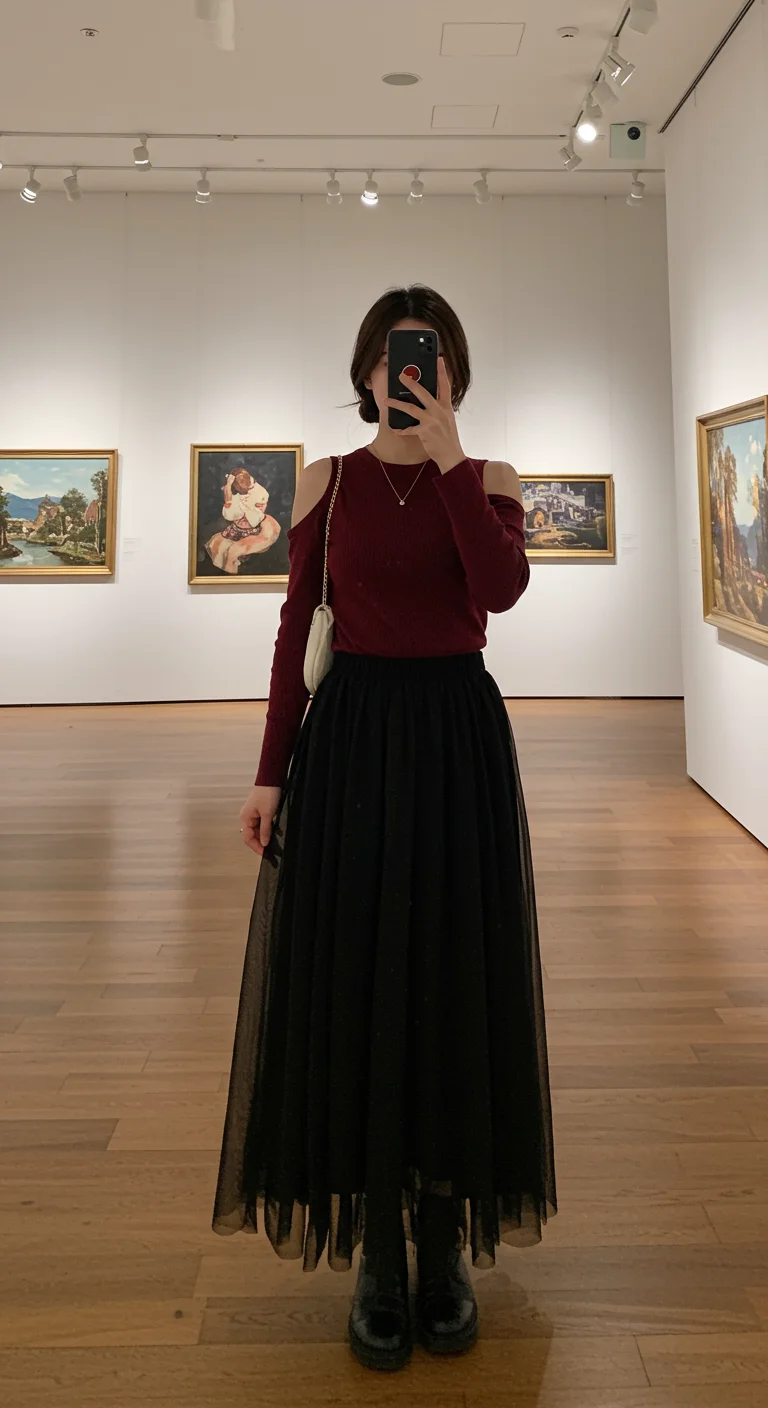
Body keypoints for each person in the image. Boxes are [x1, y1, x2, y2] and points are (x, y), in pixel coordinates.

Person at [211, 284, 557, 1372]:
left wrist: (451, 462)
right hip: (353, 739)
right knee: (356, 977)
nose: (408, 374)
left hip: (457, 743)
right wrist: (269, 773)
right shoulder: (327, 480)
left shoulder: (490, 480)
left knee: (452, 977)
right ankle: (375, 1249)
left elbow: (499, 591)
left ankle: (443, 1239)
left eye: (430, 357)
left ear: (453, 371)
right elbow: (292, 633)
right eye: (394, 357)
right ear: (365, 373)